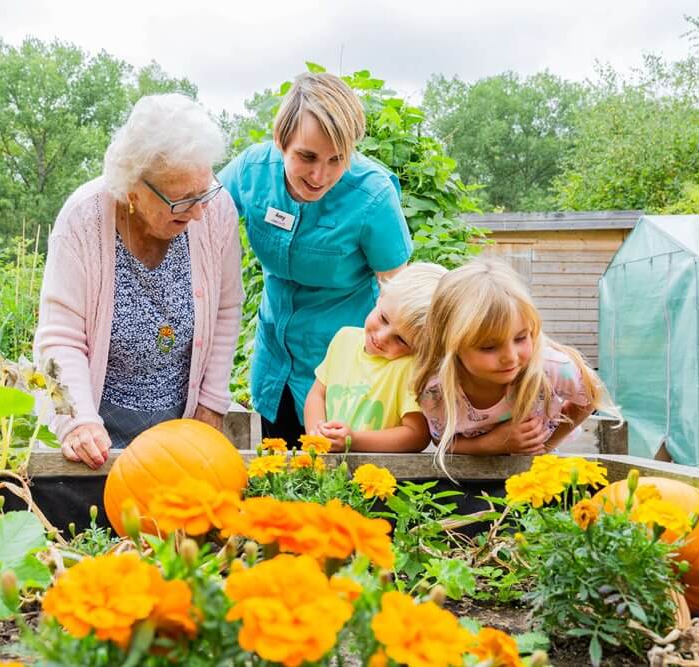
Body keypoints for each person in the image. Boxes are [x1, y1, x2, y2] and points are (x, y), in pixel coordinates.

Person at [34, 94, 243, 469]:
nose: (199, 212)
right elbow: (58, 339)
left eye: (205, 189)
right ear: (133, 190)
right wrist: (78, 420)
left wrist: (211, 403)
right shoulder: (82, 221)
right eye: (182, 200)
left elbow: (226, 309)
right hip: (97, 430)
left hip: (181, 427)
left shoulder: (215, 211)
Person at [220, 72, 412, 444]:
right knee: (279, 473)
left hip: (344, 369)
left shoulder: (373, 195)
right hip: (275, 355)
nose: (320, 175)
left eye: (336, 160)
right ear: (280, 141)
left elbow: (398, 295)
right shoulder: (252, 172)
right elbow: (200, 220)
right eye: (306, 156)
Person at [411, 258, 619, 471]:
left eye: (520, 338)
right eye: (489, 347)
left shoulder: (551, 368)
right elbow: (441, 441)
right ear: (450, 344)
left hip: (534, 474)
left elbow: (589, 399)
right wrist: (491, 444)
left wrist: (545, 445)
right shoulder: (436, 390)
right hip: (468, 474)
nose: (510, 357)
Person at [304, 262, 446, 453]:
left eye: (401, 340)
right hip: (331, 467)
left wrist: (353, 441)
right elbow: (317, 394)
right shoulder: (343, 339)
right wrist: (317, 434)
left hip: (383, 476)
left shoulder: (409, 368)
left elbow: (416, 435)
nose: (381, 337)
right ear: (381, 297)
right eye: (383, 319)